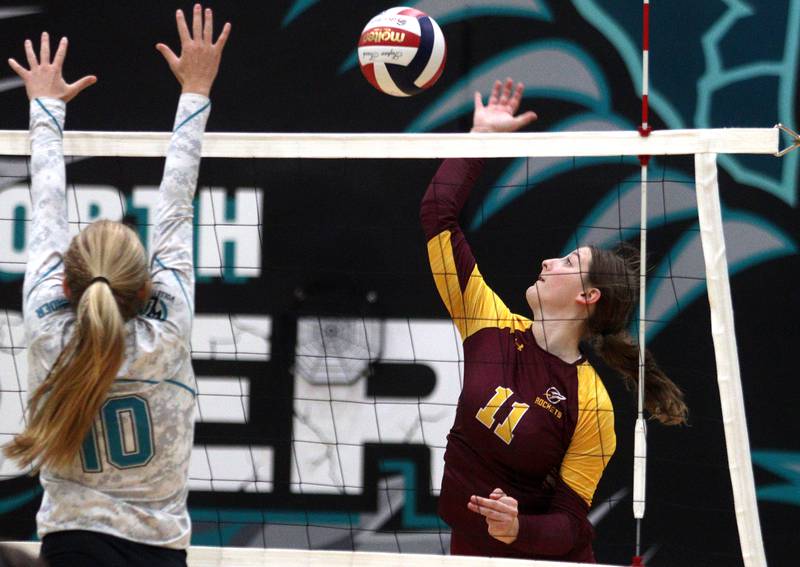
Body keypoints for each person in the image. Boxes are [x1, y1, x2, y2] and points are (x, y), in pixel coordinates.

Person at [421, 78, 688, 562]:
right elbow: (438, 215)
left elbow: (570, 523)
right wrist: (480, 139)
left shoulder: (591, 404)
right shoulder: (485, 321)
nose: (548, 262)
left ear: (588, 296)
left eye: (567, 263)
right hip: (469, 552)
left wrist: (517, 527)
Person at [3, 5, 230, 566]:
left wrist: (45, 110)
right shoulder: (167, 331)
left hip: (72, 544)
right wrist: (196, 90)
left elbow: (48, 209)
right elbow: (176, 204)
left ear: (66, 282)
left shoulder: (49, 331)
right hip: (158, 551)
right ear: (144, 283)